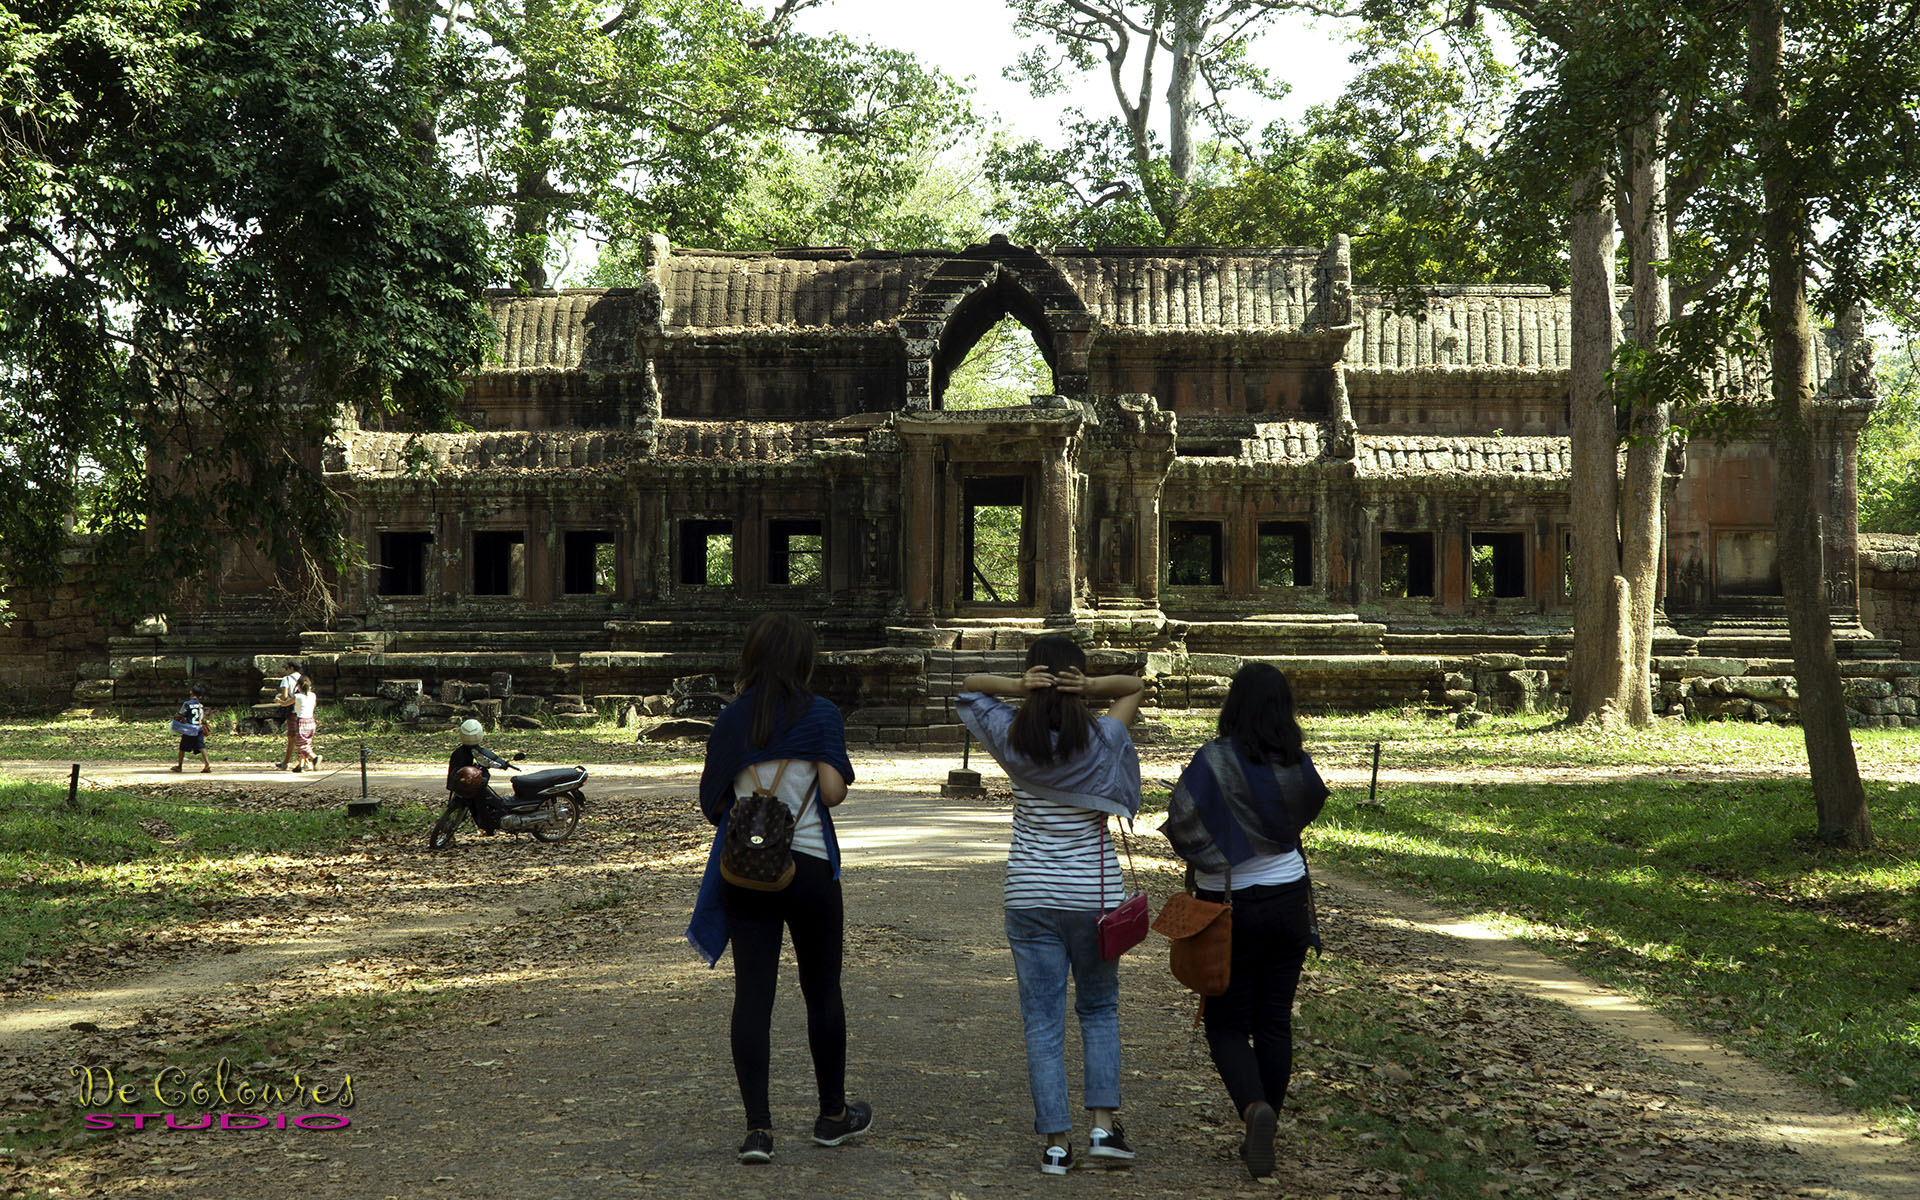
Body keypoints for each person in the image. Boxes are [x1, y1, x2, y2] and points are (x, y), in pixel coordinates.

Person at [955, 636, 1147, 1176]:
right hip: (1093, 897)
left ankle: (1057, 1145)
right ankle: (1104, 1129)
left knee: (1042, 1023)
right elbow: (1134, 686)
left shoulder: (1013, 738)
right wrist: (1088, 688)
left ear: (1033, 676)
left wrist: (1017, 687)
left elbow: (969, 689)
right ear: (1077, 680)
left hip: (1030, 895)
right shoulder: (1105, 737)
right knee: (1100, 1010)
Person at [687, 613, 869, 1165]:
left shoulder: (731, 720)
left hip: (746, 870)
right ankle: (832, 1115)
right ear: (803, 660)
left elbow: (712, 803)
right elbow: (834, 794)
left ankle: (758, 1131)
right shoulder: (821, 714)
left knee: (753, 997)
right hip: (809, 866)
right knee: (822, 991)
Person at [1160, 662, 1328, 1181]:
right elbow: (1309, 804)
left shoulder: (1213, 760)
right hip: (1288, 902)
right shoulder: (1295, 762)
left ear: (1233, 705)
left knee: (1227, 1023)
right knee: (1274, 1020)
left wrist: (1225, 843)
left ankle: (1254, 1109)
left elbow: (1182, 821)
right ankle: (1266, 1129)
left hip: (1228, 907)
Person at [447, 718, 509, 833]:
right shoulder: (477, 751)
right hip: (471, 784)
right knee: (480, 800)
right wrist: (505, 764)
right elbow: (492, 758)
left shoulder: (457, 752)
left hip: (460, 785)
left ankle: (486, 826)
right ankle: (487, 825)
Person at [172, 685, 211, 774]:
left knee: (182, 748)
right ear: (200, 696)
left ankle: (179, 766)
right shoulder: (200, 705)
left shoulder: (187, 704)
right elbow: (202, 717)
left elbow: (181, 714)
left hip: (189, 729)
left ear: (191, 692)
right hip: (199, 728)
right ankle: (207, 764)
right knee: (201, 746)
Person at [290, 676, 320, 772]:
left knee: (300, 744)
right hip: (311, 721)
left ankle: (314, 757)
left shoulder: (297, 696)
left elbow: (286, 703)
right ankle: (301, 765)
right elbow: (314, 705)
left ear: (298, 686)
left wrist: (278, 701)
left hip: (301, 721)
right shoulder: (313, 695)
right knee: (306, 742)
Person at [274, 662, 301, 769]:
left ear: (291, 668)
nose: (286, 671)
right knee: (301, 736)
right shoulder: (303, 678)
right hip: (304, 710)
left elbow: (285, 696)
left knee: (292, 736)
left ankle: (286, 762)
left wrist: (278, 698)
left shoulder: (287, 679)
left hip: (292, 709)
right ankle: (303, 761)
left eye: (287, 669)